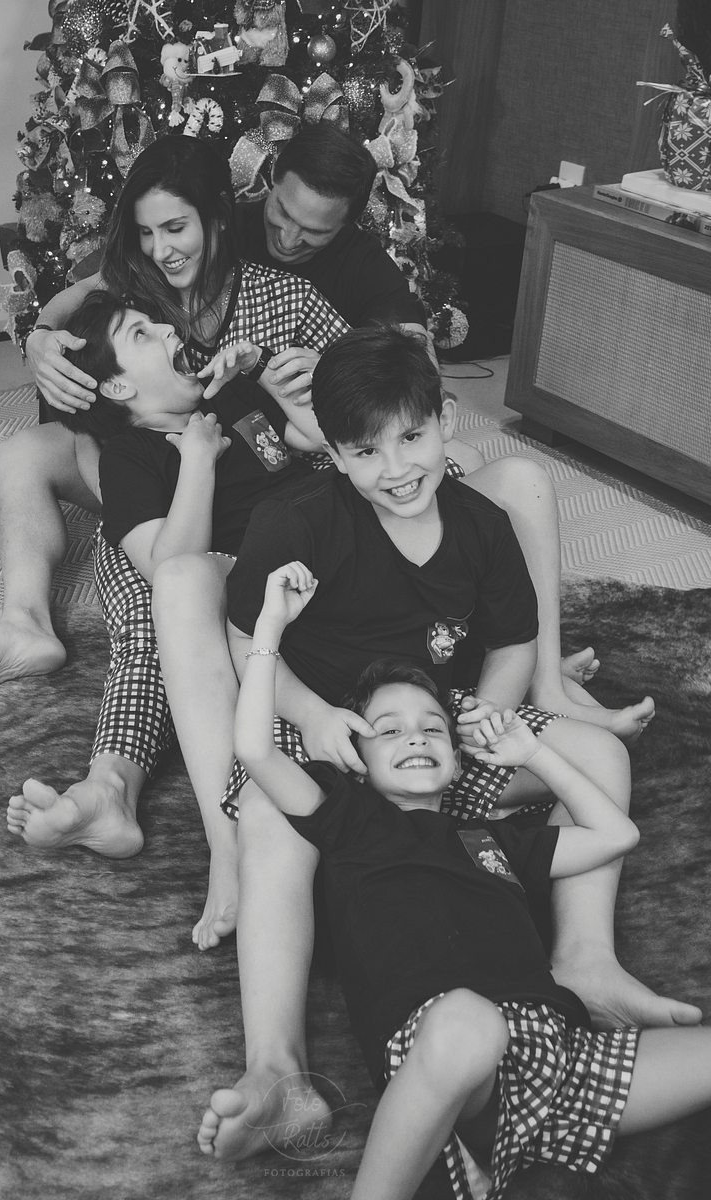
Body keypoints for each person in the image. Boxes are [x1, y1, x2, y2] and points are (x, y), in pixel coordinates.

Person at [0, 125, 649, 740]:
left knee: (471, 469)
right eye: (279, 214)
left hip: (267, 461)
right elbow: (74, 300)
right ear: (260, 194)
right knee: (30, 458)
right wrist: (41, 340)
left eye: (314, 229)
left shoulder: (299, 288)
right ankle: (27, 620)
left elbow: (379, 385)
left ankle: (534, 671)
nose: (290, 236)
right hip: (157, 469)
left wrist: (300, 376)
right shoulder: (135, 280)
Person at [201, 326, 699, 1161]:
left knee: (602, 755)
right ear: (335, 454)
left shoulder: (479, 524)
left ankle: (584, 959)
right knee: (267, 814)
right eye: (367, 452)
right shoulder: (298, 523)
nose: (396, 468)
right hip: (331, 733)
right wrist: (313, 716)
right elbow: (247, 632)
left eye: (412, 437)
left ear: (444, 420)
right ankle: (278, 1069)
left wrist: (489, 720)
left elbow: (512, 641)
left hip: (438, 733)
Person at [201, 583, 711, 1200]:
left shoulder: (492, 839)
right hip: (448, 1049)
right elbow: (255, 750)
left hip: (557, 1059)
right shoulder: (349, 824)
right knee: (471, 1023)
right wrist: (269, 631)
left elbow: (616, 834)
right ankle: (453, 1151)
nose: (415, 737)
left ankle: (499, 1149)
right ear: (355, 761)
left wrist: (533, 753)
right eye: (389, 731)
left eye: (432, 728)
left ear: (460, 758)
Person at [5, 288, 325, 934]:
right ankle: (226, 847)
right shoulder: (131, 459)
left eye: (157, 323)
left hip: (323, 538)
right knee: (178, 597)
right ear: (119, 388)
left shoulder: (233, 395)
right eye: (141, 334)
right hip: (250, 580)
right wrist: (198, 458)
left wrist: (264, 371)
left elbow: (317, 437)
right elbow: (169, 568)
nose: (166, 330)